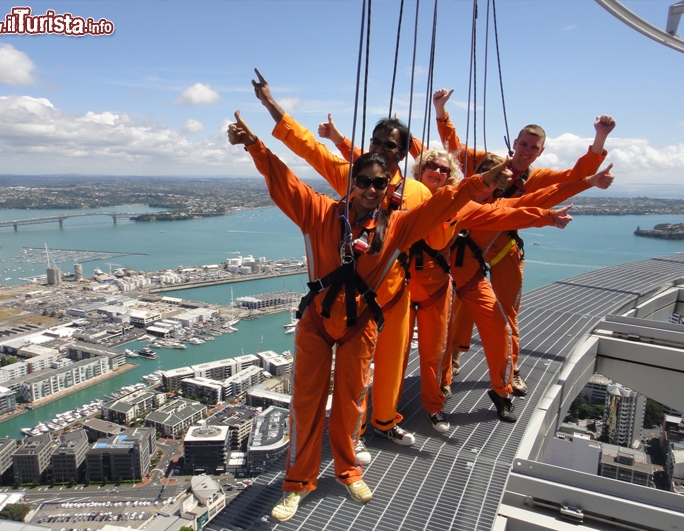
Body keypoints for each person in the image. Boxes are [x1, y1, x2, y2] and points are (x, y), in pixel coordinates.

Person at [228, 110, 509, 522]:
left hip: (361, 323)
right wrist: (254, 144)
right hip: (318, 323)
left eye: (380, 183)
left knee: (351, 402)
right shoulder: (319, 212)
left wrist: (482, 182)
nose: (373, 190)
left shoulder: (396, 225)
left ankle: (347, 469)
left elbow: (444, 204)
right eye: (364, 181)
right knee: (306, 403)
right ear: (352, 182)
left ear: (387, 184)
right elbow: (281, 178)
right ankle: (297, 483)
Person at [251, 69, 432, 458]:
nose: (383, 149)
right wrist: (271, 106)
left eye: (391, 145)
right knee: (355, 372)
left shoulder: (417, 192)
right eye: (377, 141)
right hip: (354, 295)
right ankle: (356, 434)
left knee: (391, 363)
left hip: (394, 289)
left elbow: (442, 221)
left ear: (403, 153)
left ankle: (385, 420)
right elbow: (309, 150)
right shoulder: (355, 173)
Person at [433, 88, 616, 397]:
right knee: (461, 303)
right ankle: (452, 358)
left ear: (540, 151)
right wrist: (440, 110)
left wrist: (600, 138)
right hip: (472, 244)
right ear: (513, 144)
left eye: (533, 147)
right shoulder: (486, 163)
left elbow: (575, 175)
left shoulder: (537, 177)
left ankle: (511, 370)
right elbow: (453, 147)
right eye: (523, 144)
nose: (526, 151)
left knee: (506, 311)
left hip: (503, 246)